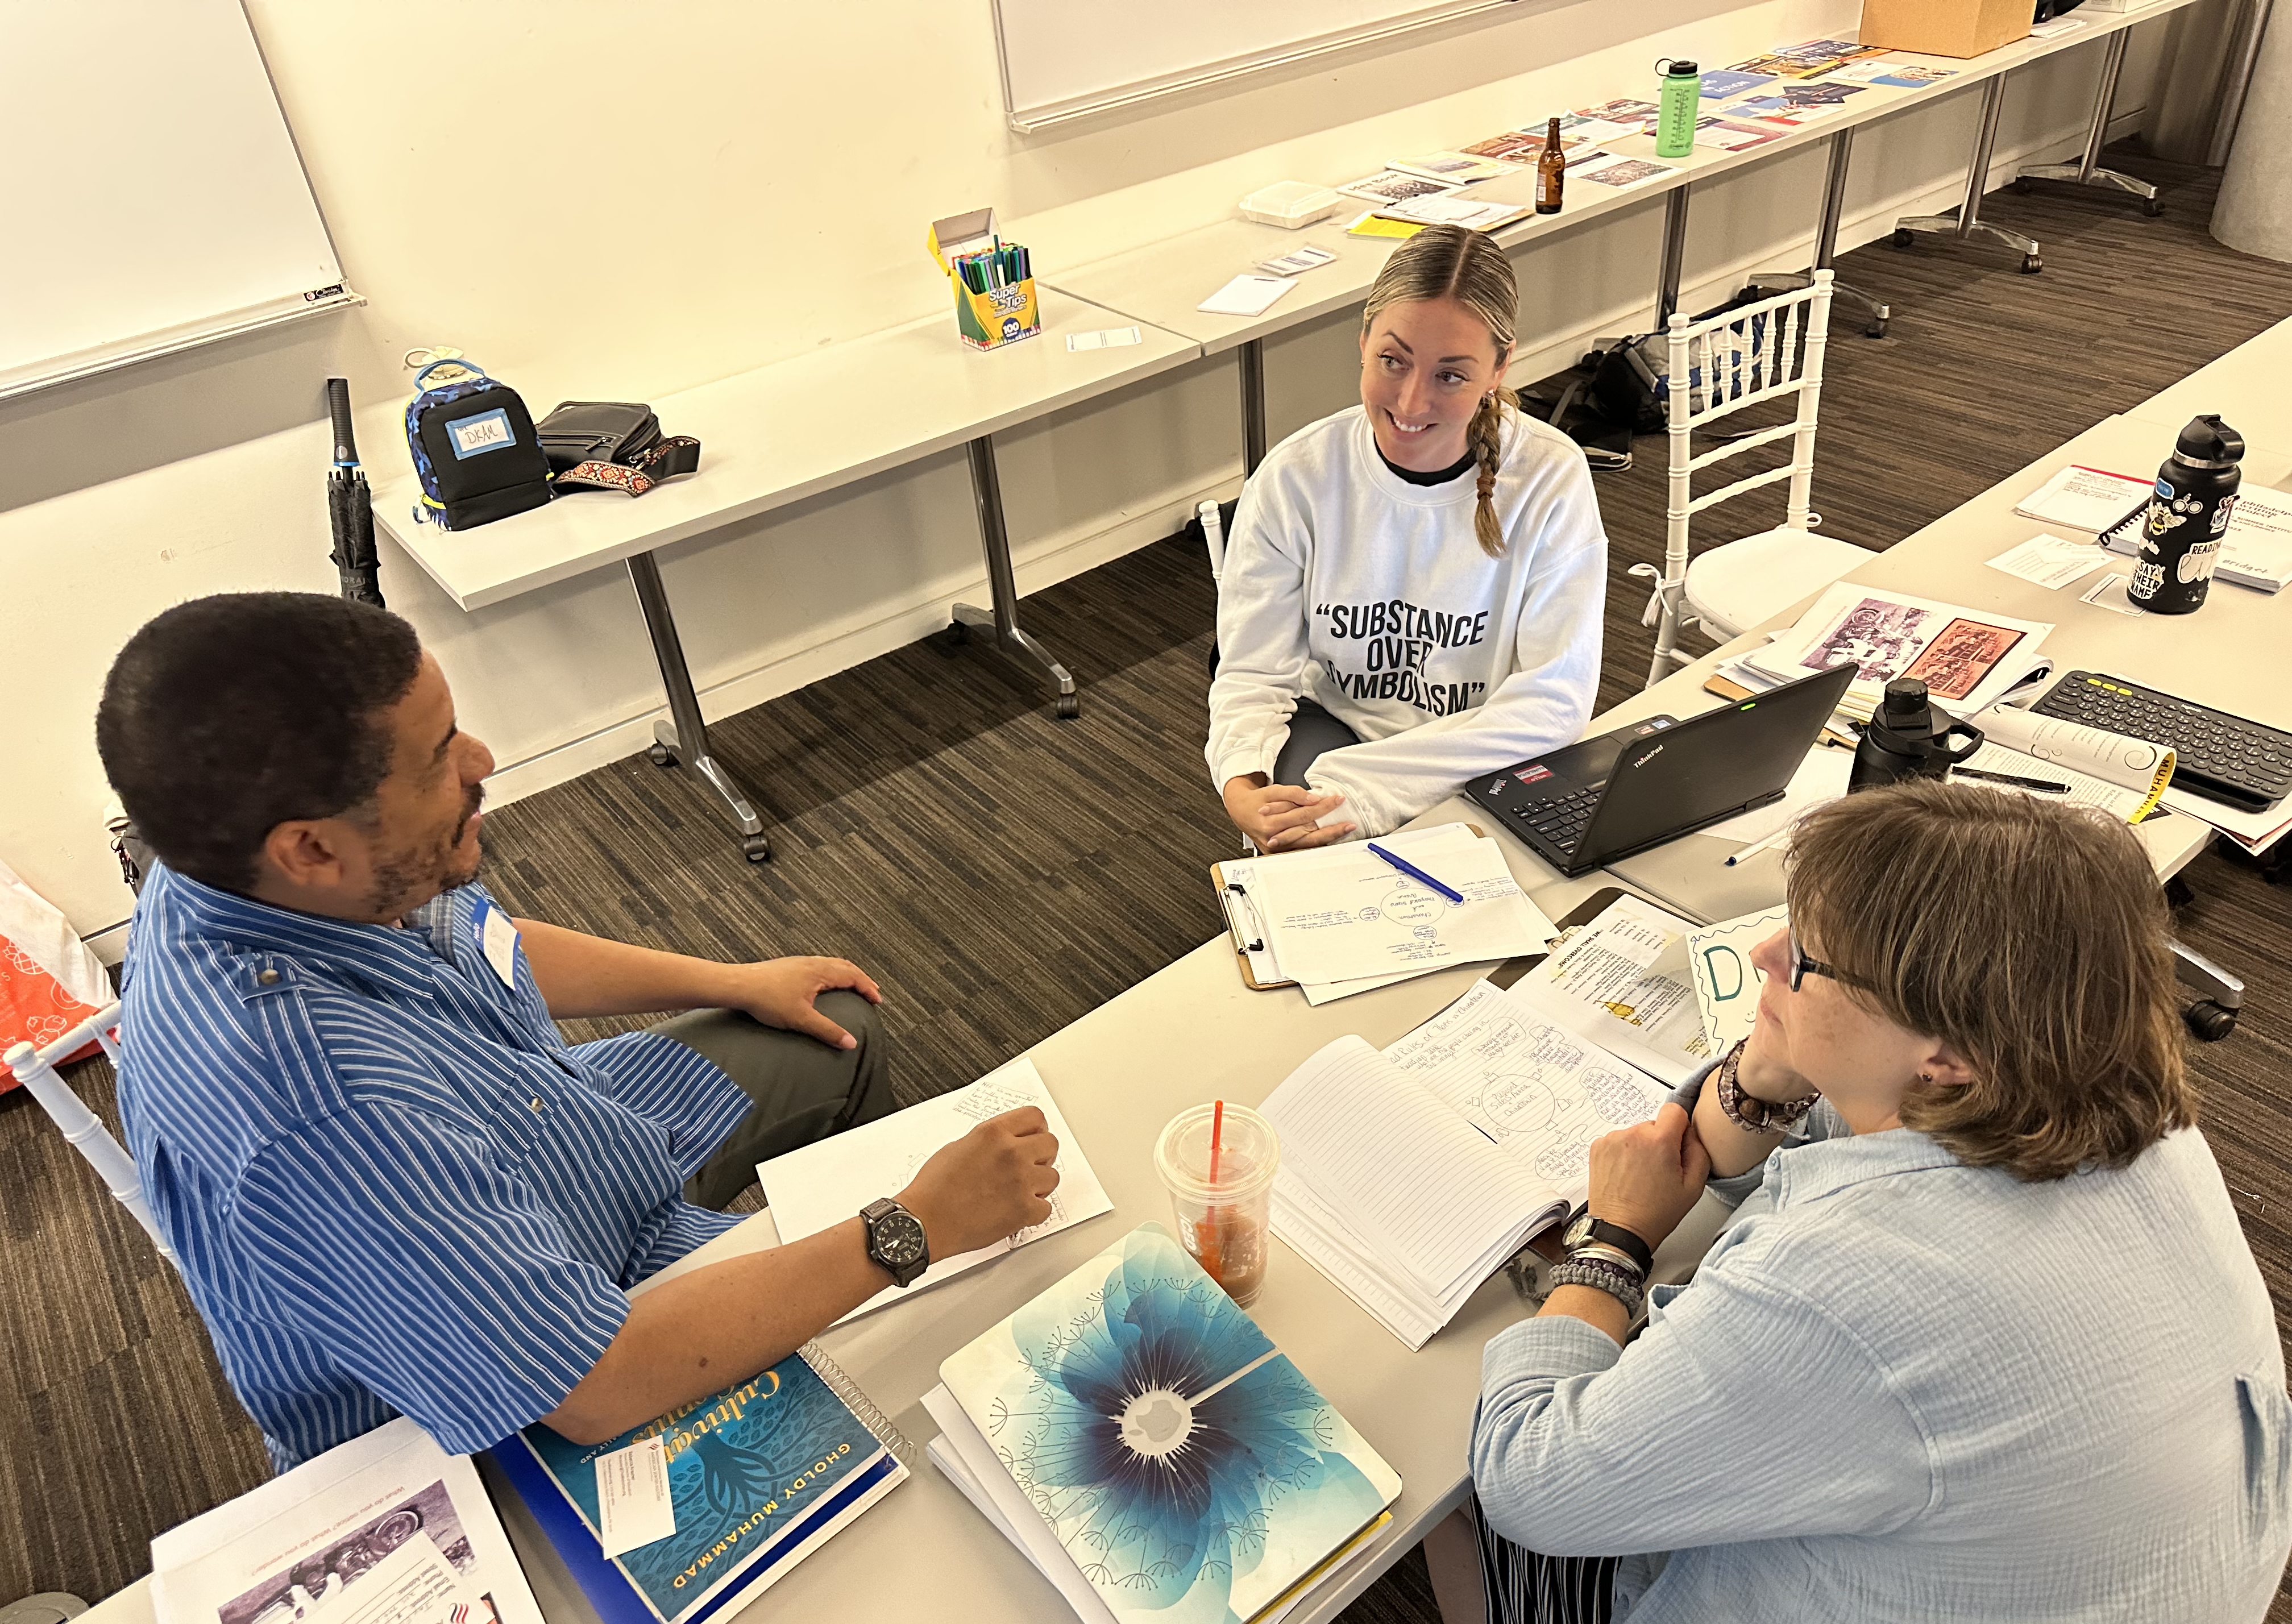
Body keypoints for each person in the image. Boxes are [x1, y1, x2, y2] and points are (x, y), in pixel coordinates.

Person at [98, 593, 1059, 1469]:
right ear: (309, 847)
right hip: (519, 1381)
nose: (480, 761)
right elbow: (594, 1387)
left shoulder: (238, 866)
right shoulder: (313, 1107)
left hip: (544, 1129)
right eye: (438, 759)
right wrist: (909, 1229)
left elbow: (485, 942)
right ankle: (848, 1305)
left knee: (831, 1024)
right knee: (901, 1398)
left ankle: (821, 1270)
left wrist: (734, 980)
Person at [1426, 781, 2289, 1624]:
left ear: (1942, 1053)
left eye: (1806, 959)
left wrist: (1614, 1242)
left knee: (1463, 1482)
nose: (1762, 953)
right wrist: (1771, 1062)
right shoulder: (2125, 1110)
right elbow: (1821, 1123)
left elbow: (1535, 1478)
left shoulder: (1851, 1288)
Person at [1206, 223, 1606, 852]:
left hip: (1478, 742)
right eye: (1393, 361)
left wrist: (1367, 791)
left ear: (1500, 367)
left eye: (1451, 375)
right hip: (1335, 726)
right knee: (1314, 860)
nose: (1412, 400)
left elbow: (1554, 698)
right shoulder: (1297, 478)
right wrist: (1243, 784)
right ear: (1363, 343)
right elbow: (1253, 672)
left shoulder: (1550, 478)